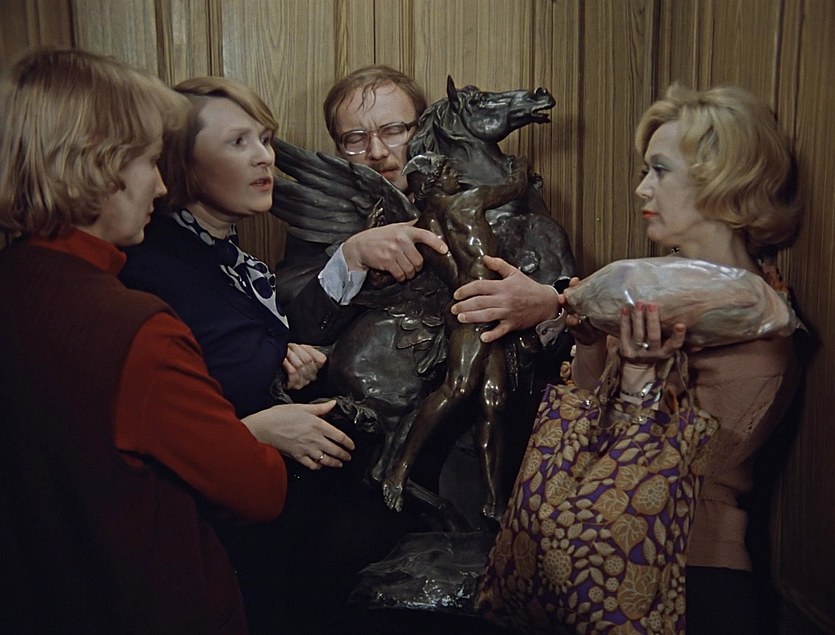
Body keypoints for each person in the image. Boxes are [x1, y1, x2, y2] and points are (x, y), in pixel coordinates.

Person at [456, 83, 803, 634]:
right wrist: (593, 341)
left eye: (661, 170)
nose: (642, 187)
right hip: (608, 561)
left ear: (723, 180)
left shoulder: (757, 310)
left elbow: (674, 463)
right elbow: (588, 412)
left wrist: (638, 378)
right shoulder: (649, 290)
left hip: (689, 575)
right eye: (646, 170)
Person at [0, 47, 302, 634]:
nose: (162, 186)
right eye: (149, 161)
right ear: (99, 166)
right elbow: (259, 489)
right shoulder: (134, 327)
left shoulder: (20, 281)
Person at [119, 75, 433, 634]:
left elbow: (240, 345)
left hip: (308, 517)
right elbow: (158, 420)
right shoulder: (155, 262)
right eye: (238, 142)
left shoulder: (223, 255)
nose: (265, 157)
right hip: (238, 538)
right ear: (179, 162)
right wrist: (257, 416)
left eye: (265, 139)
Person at [382, 153, 531, 522]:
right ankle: (398, 470)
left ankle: (494, 502)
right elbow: (514, 187)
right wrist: (522, 166)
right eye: (448, 171)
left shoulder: (421, 228)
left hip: (481, 309)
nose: (457, 175)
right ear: (432, 183)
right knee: (458, 387)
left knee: (493, 401)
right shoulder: (468, 200)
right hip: (477, 310)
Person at [278, 65, 448, 344]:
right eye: (356, 139)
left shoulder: (470, 199)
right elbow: (300, 331)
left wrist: (533, 301)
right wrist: (350, 256)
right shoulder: (321, 216)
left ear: (422, 130)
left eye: (393, 131)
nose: (377, 152)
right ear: (339, 150)